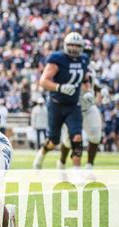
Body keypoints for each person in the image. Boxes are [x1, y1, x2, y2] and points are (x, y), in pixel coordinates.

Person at [33, 32, 89, 170]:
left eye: (77, 46)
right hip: (56, 104)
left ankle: (77, 170)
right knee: (53, 141)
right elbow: (43, 81)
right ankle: (42, 153)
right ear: (65, 45)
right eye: (71, 45)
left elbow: (85, 79)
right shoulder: (58, 59)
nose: (74, 49)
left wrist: (88, 92)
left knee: (77, 137)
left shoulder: (83, 59)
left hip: (73, 105)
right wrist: (60, 87)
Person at [58, 40, 104, 171]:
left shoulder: (91, 68)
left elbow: (94, 84)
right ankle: (61, 162)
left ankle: (89, 165)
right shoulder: (68, 68)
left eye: (89, 53)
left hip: (89, 107)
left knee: (95, 135)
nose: (87, 56)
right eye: (85, 52)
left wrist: (100, 92)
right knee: (68, 141)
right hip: (73, 108)